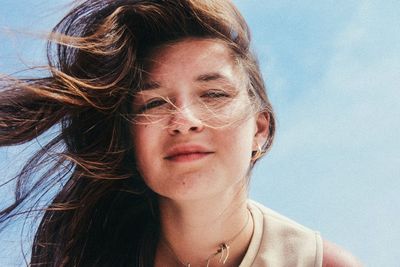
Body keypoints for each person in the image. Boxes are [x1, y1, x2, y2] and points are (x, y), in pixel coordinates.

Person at [0, 0, 362, 266]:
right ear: (131, 140)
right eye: (153, 103)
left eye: (213, 94)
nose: (183, 119)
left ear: (260, 129)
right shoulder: (86, 255)